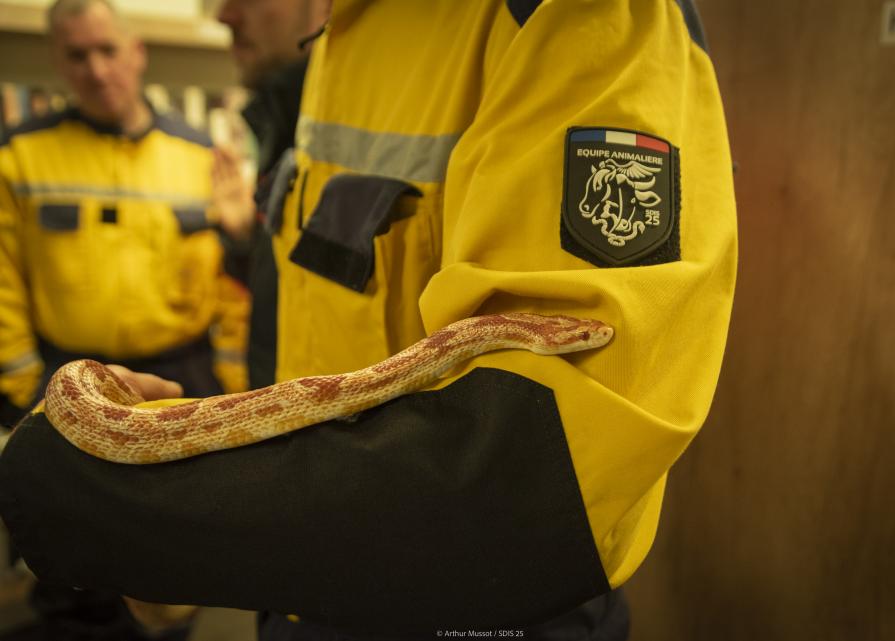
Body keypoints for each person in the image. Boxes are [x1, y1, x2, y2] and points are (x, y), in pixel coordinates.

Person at [0, 1, 737, 639]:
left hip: (483, 609)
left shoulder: (570, 19)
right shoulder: (342, 33)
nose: (221, 12)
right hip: (302, 591)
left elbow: (539, 467)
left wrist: (132, 506)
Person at [0, 0, 249, 638]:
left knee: (174, 564)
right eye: (77, 55)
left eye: (107, 50)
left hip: (181, 381)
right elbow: (2, 282)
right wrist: (24, 391)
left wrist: (229, 385)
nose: (96, 69)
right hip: (64, 380)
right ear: (57, 62)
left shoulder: (201, 154)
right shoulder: (20, 154)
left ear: (137, 54)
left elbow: (231, 285)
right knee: (73, 572)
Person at [212, 0, 332, 390]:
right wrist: (250, 241)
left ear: (324, 5)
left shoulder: (347, 124)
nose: (224, 16)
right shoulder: (283, 118)